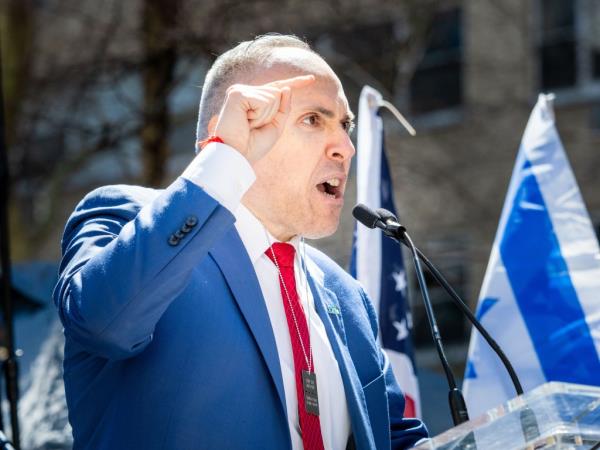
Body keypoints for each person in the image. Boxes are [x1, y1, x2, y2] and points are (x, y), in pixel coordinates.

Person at [53, 34, 428, 449]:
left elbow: (395, 437)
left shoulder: (347, 294)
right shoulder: (127, 219)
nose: (345, 147)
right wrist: (224, 158)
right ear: (227, 133)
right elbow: (105, 324)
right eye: (312, 120)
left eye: (344, 125)